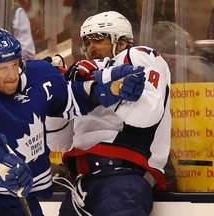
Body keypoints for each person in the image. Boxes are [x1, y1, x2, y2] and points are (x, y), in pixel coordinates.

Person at [0, 27, 146, 216]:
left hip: (22, 191)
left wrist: (107, 90)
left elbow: (71, 97)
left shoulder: (40, 76)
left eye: (14, 64)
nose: (11, 75)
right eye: (2, 68)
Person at [46, 11, 171, 215]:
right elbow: (58, 142)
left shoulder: (139, 55)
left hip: (121, 182)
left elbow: (147, 114)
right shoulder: (83, 75)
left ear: (121, 43)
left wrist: (101, 82)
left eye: (97, 39)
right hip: (80, 185)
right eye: (86, 42)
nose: (90, 47)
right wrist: (54, 98)